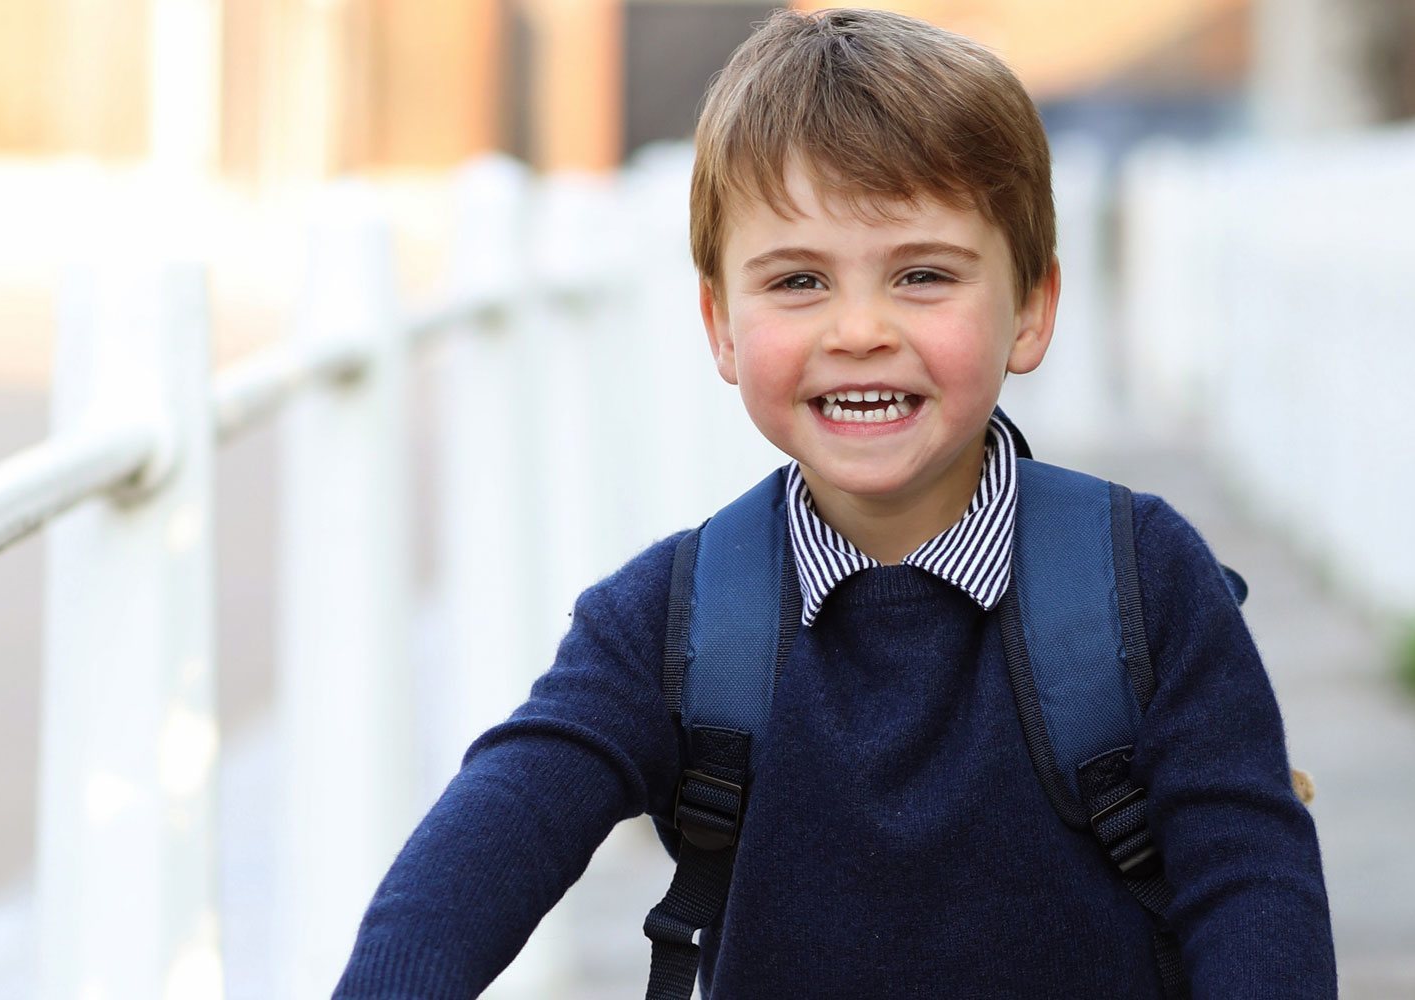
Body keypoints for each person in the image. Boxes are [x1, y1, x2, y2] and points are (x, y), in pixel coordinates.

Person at [334, 8, 1335, 997]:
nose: (859, 329)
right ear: (720, 324)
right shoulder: (669, 623)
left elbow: (1252, 884)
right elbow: (479, 851)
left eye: (922, 274)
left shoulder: (1143, 583)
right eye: (799, 280)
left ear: (1029, 308)